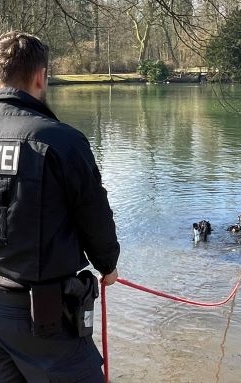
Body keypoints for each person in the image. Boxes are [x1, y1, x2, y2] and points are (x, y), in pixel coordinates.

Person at [0, 31, 120, 382]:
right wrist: (107, 265)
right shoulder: (60, 141)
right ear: (40, 76)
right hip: (43, 321)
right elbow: (95, 215)